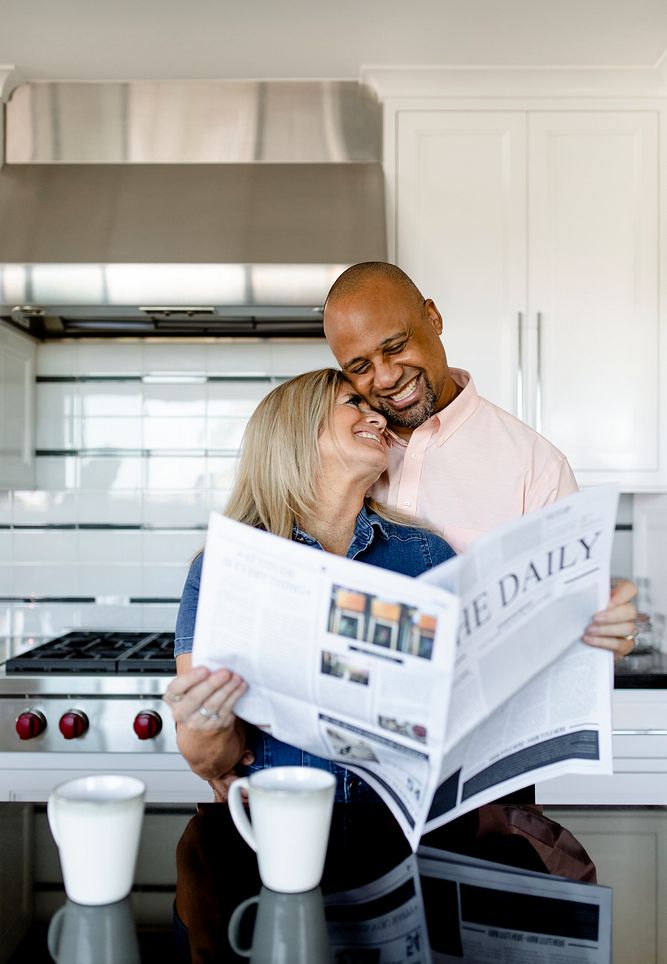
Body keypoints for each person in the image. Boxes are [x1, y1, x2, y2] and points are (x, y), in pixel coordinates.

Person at [164, 368, 455, 802]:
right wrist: (203, 724)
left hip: (407, 832)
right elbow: (211, 763)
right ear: (297, 431)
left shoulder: (427, 555)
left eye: (375, 409)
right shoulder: (222, 569)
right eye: (354, 404)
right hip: (281, 831)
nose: (378, 418)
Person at [322, 261, 637, 659]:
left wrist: (607, 629)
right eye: (361, 367)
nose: (384, 378)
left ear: (433, 318)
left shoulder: (537, 468)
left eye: (396, 346)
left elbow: (573, 630)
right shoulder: (339, 452)